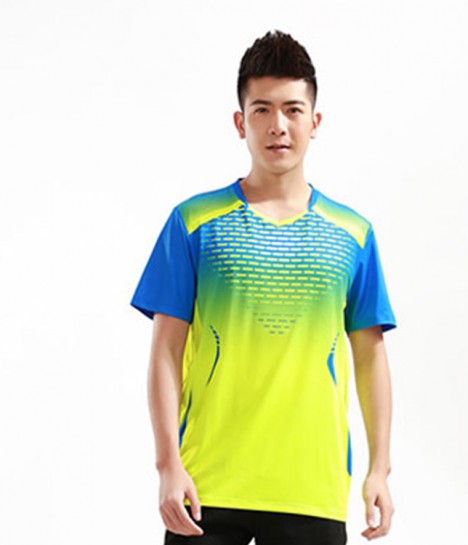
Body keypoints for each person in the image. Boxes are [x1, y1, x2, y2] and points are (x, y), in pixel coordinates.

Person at [130, 29, 397, 545]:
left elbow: (370, 355)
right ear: (241, 122)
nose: (278, 125)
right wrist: (167, 465)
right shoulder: (194, 222)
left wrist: (379, 469)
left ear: (314, 122)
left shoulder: (353, 234)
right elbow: (166, 349)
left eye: (293, 110)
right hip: (206, 485)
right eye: (262, 110)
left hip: (310, 487)